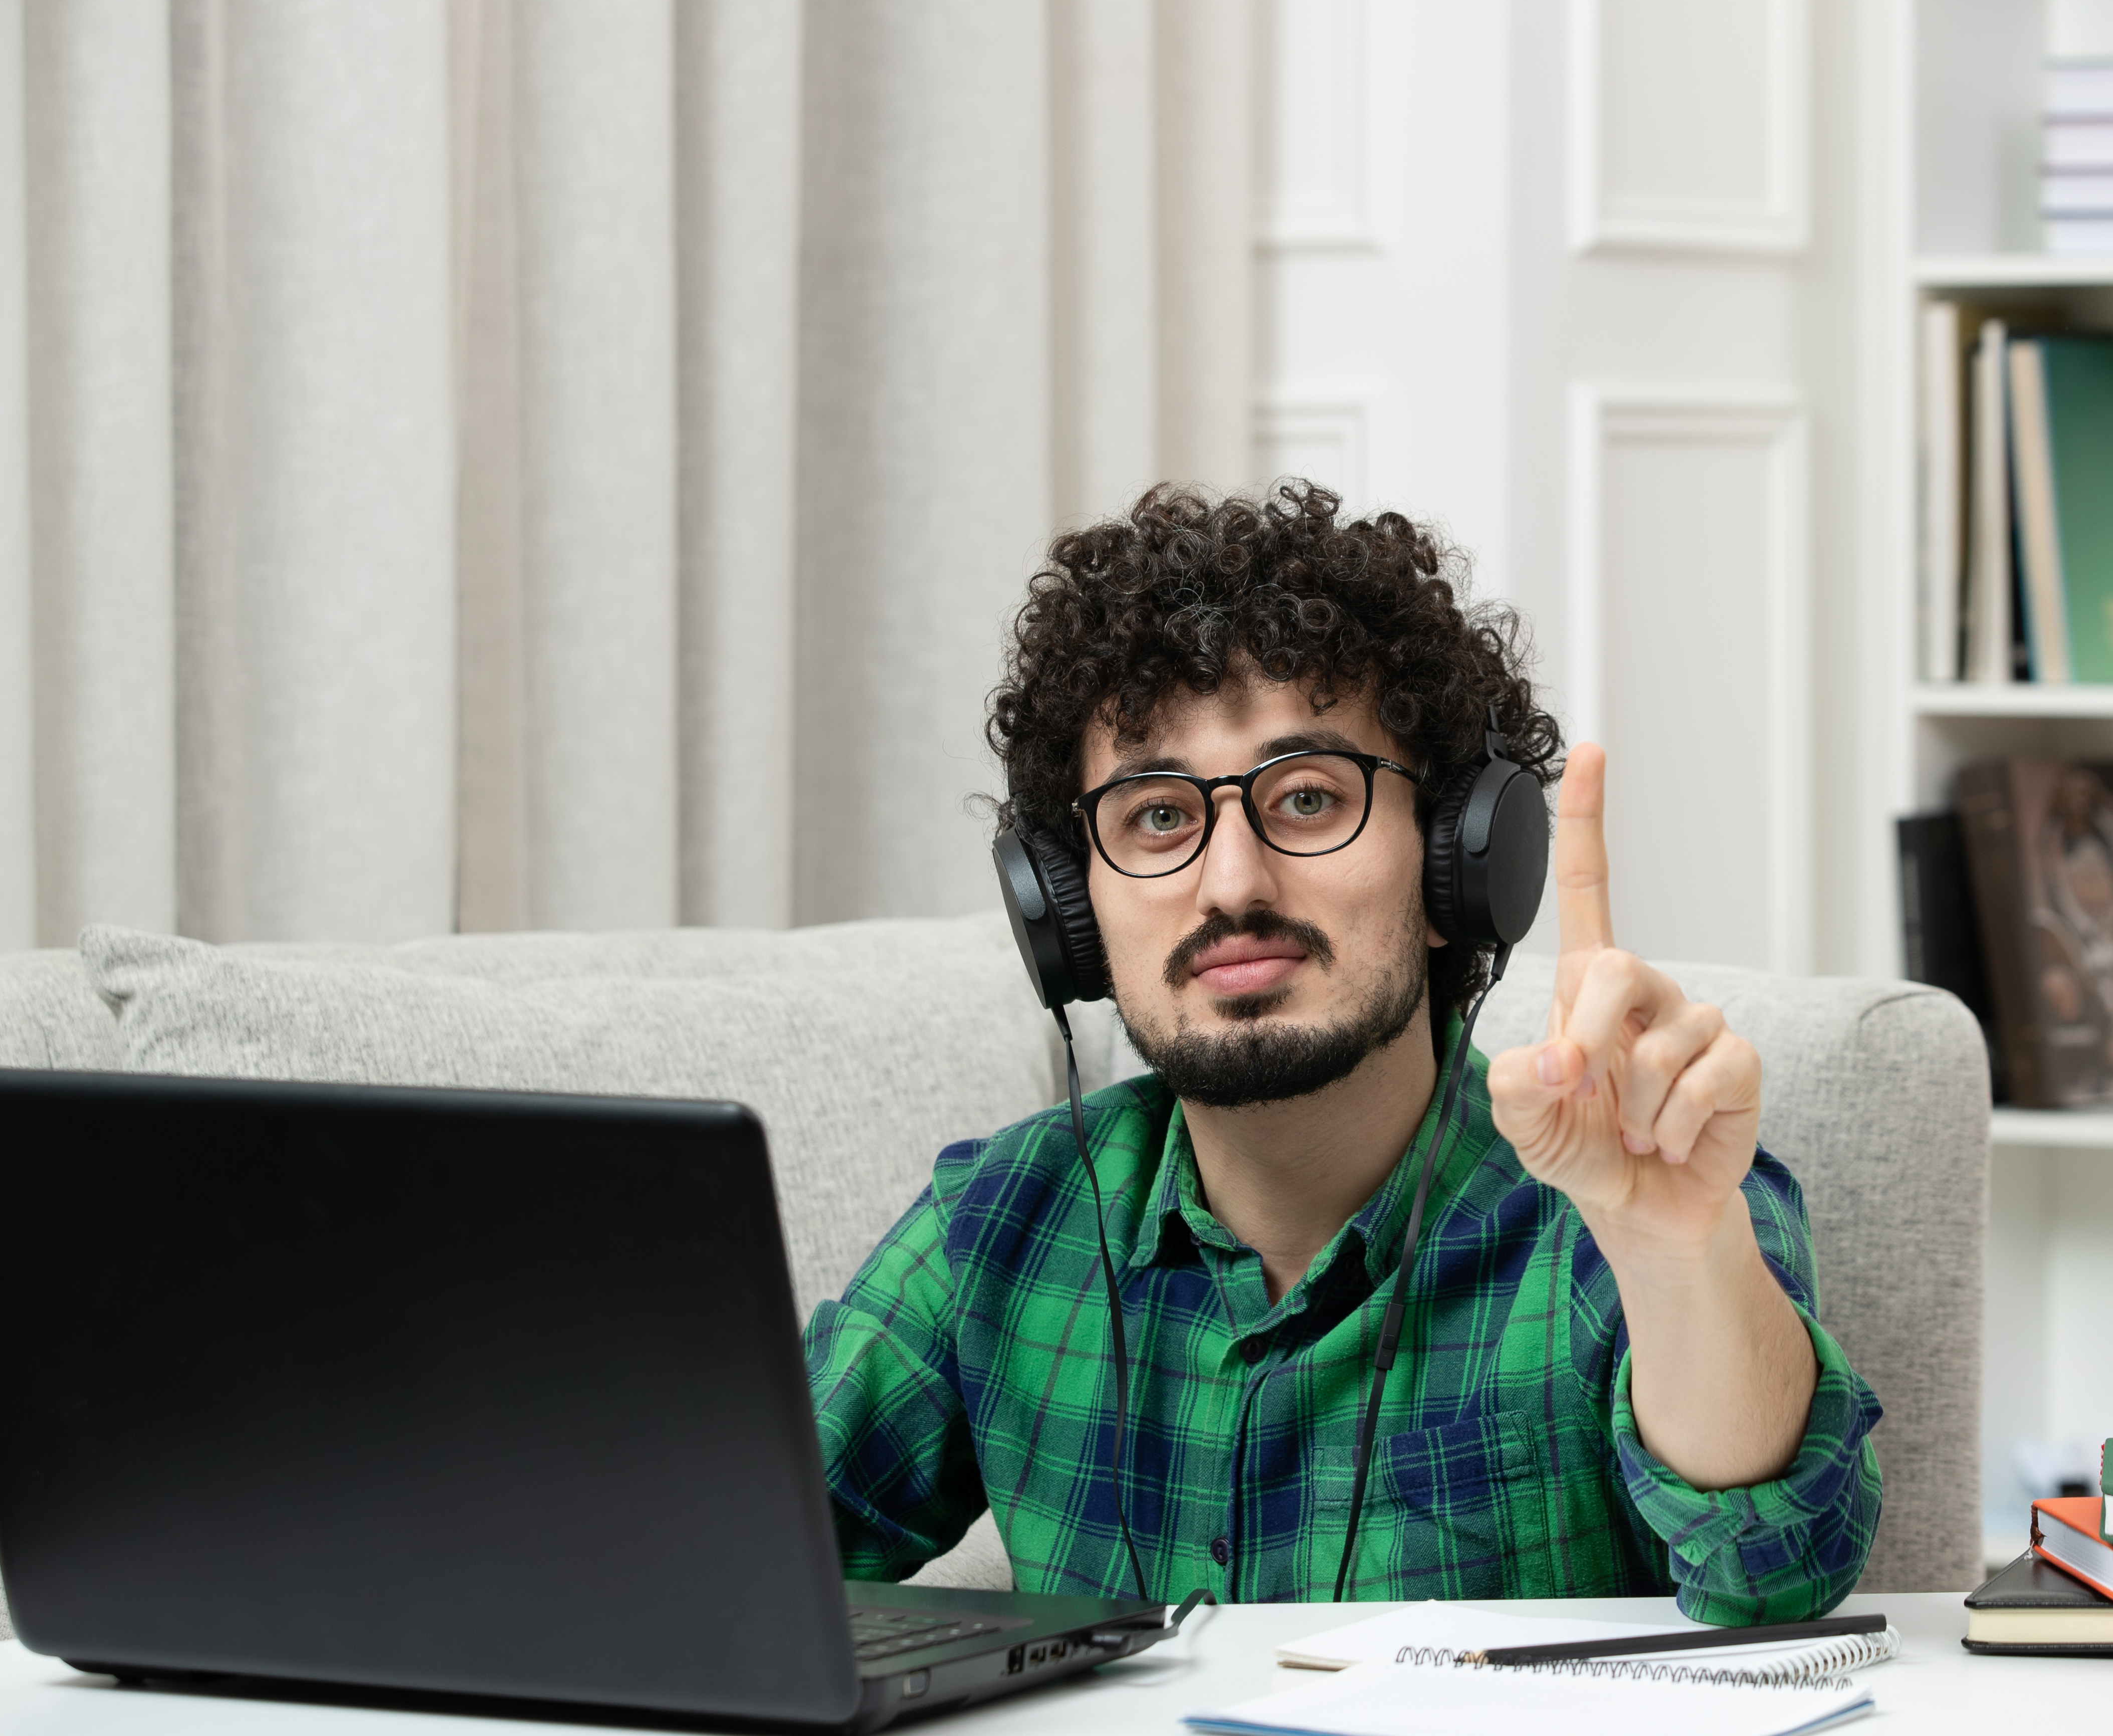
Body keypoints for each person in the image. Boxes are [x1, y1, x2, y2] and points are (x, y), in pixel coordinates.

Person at [802, 484, 1880, 1623]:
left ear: (1457, 865)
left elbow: (1781, 1571)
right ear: (1069, 909)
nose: (1231, 885)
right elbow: (710, 1551)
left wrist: (1674, 1259)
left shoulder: (1627, 1182)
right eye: (1158, 816)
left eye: (1308, 797)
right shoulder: (999, 1226)